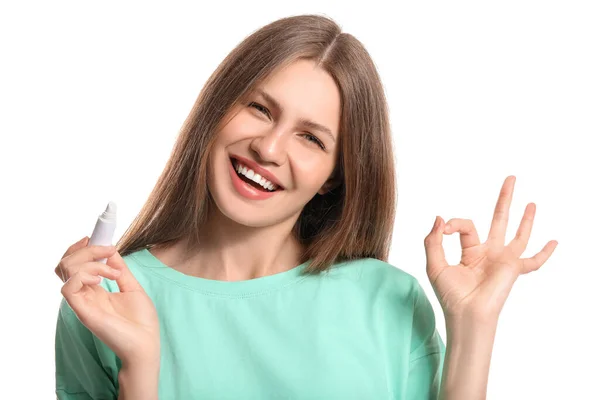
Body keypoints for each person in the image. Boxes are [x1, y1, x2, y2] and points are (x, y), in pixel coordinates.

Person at [54, 14, 558, 400]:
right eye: (259, 108)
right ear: (216, 109)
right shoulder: (105, 299)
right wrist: (141, 367)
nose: (269, 149)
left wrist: (474, 325)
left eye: (310, 139)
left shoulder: (387, 300)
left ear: (333, 176)